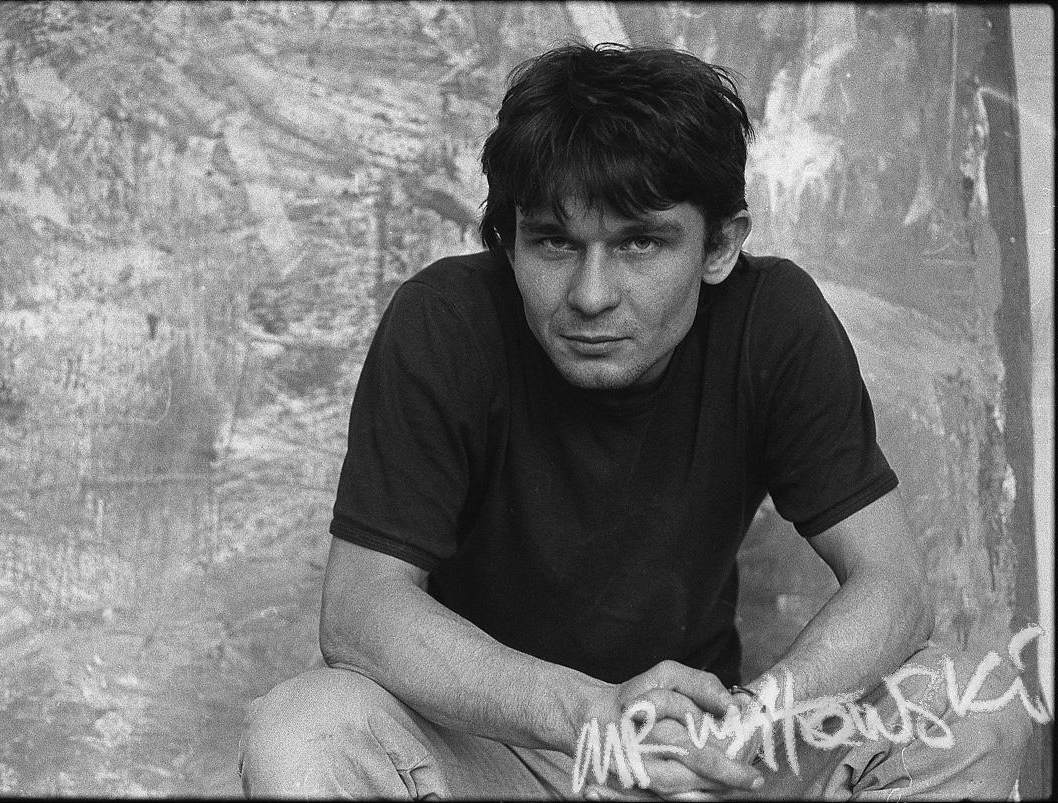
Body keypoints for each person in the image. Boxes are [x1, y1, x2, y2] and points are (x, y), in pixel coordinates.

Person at [240, 43, 1035, 799]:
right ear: (509, 242)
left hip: (713, 755)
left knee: (968, 706)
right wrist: (589, 714)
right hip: (509, 752)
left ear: (718, 246)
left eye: (641, 243)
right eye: (554, 242)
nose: (591, 295)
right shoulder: (443, 323)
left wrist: (752, 723)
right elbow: (360, 610)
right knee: (304, 728)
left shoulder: (774, 322)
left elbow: (894, 585)